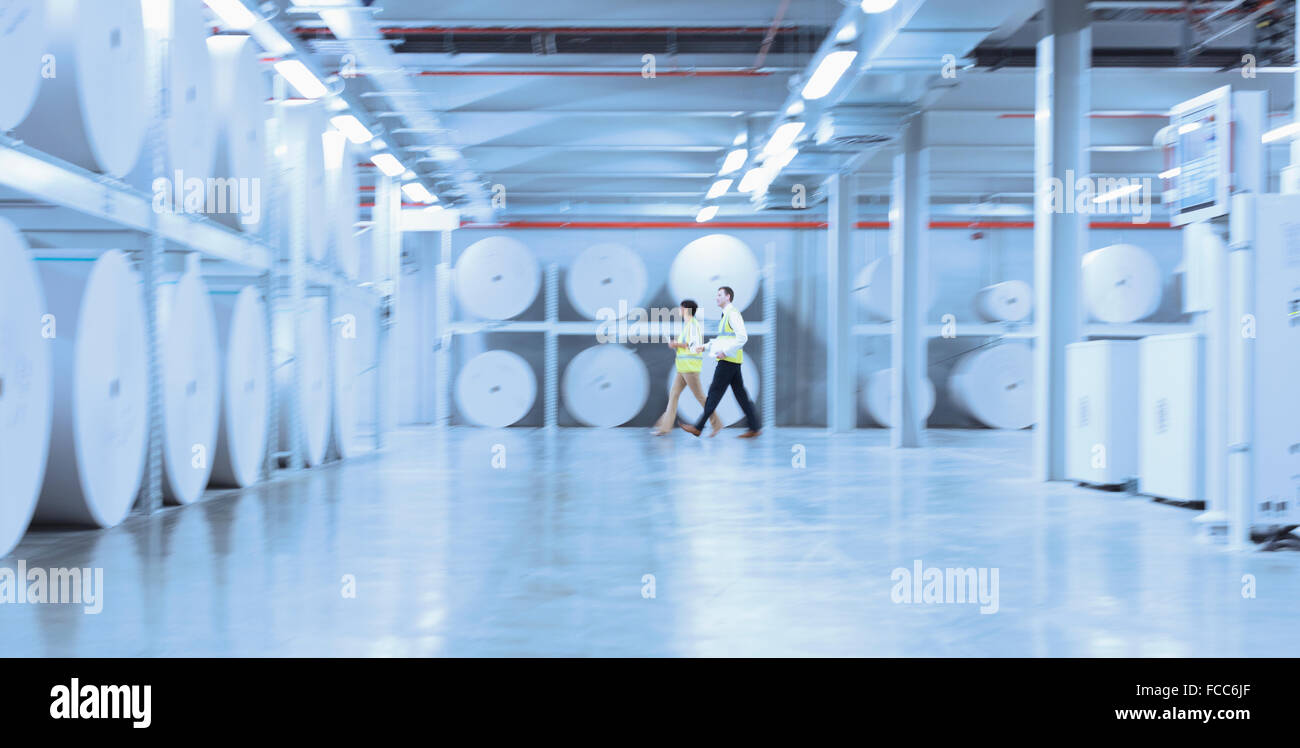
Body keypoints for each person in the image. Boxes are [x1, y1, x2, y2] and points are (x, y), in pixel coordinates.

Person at [680, 286, 761, 439]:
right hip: (732, 361)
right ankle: (755, 427)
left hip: (728, 360)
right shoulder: (725, 315)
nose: (716, 298)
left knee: (714, 393)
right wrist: (704, 347)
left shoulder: (733, 314)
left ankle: (698, 427)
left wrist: (726, 352)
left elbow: (742, 337)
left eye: (719, 295)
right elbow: (722, 339)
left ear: (728, 297)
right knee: (740, 395)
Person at [652, 300, 723, 436]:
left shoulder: (693, 325)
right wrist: (676, 344)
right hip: (683, 368)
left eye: (681, 307)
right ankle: (664, 427)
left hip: (690, 369)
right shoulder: (688, 325)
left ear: (687, 310)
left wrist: (675, 344)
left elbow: (692, 345)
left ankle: (717, 424)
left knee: (700, 397)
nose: (679, 309)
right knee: (674, 395)